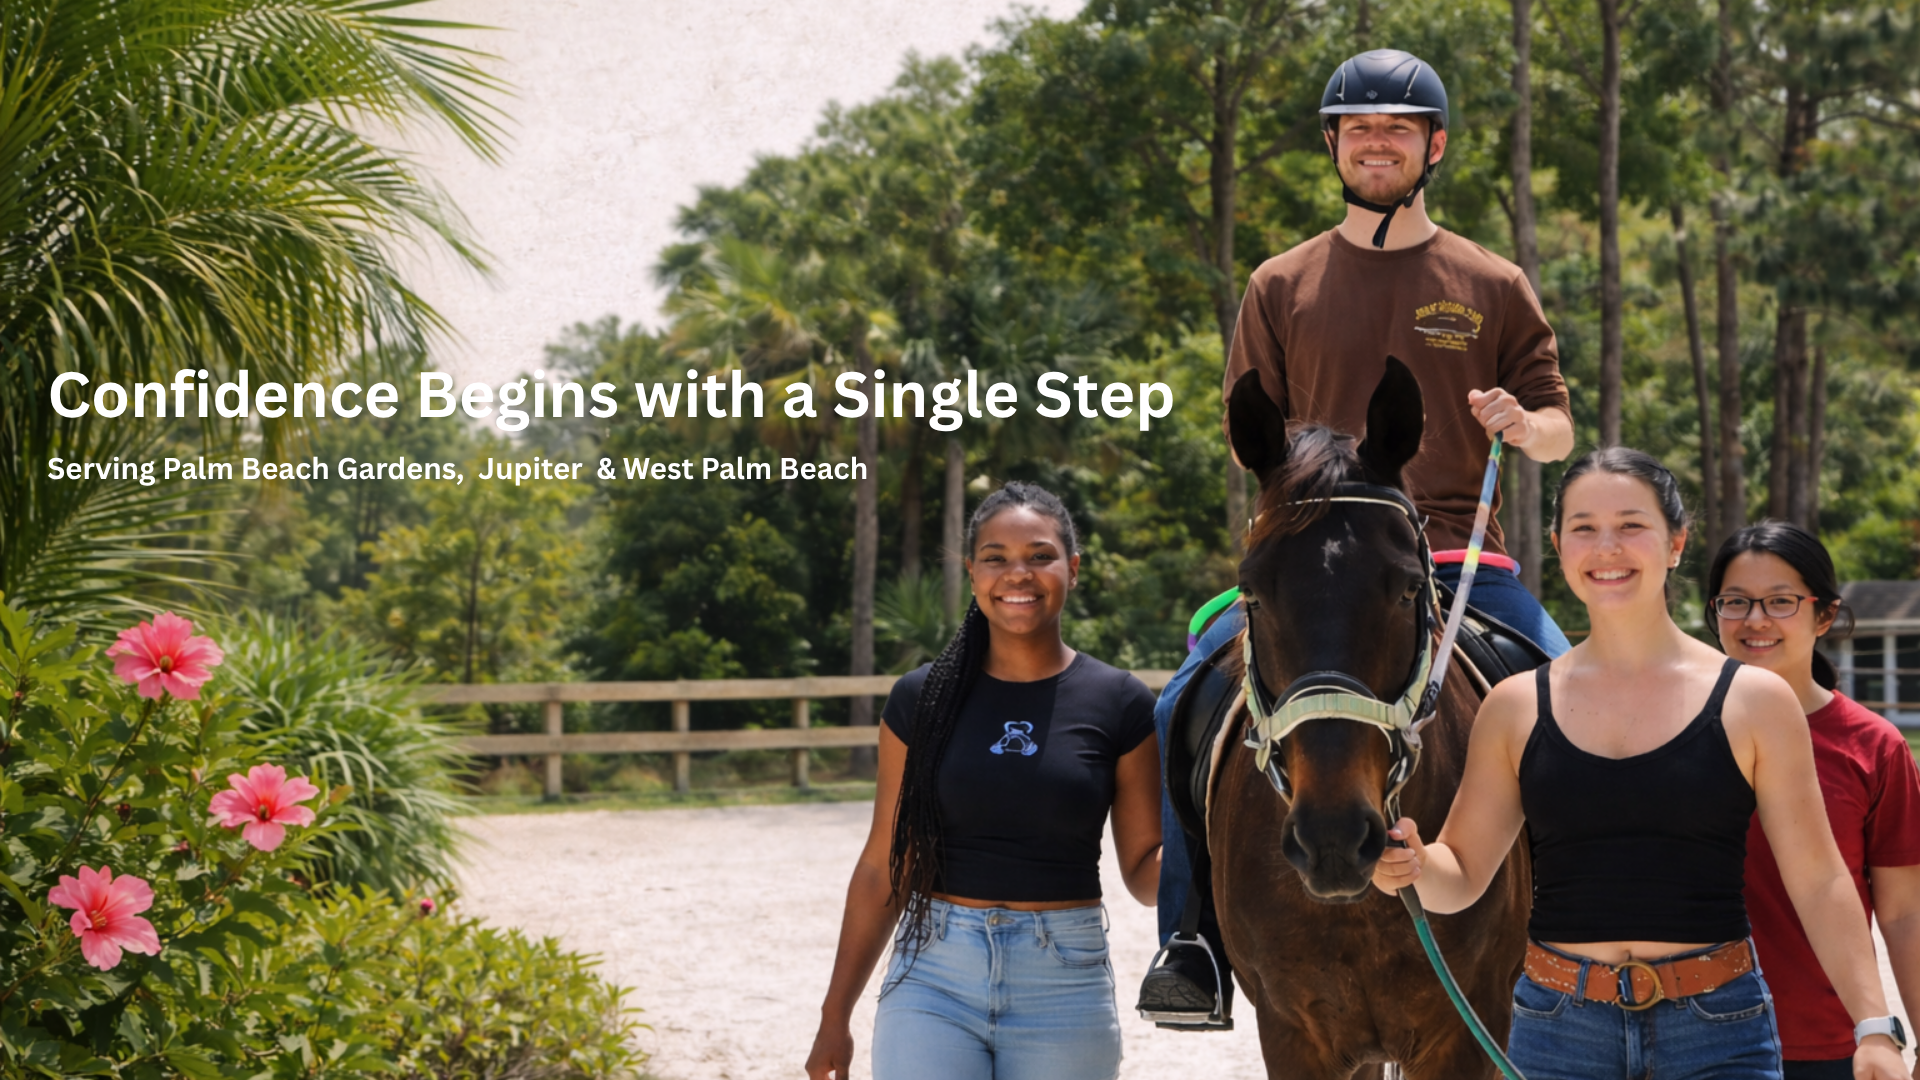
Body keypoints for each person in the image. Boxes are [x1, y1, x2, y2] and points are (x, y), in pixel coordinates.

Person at [1137, 46, 1577, 1024]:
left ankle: (1569, 937)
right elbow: (1248, 429)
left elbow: (1559, 425)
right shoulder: (1279, 284)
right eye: (1360, 129)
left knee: (1574, 706)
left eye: (1399, 129)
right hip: (1314, 560)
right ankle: (1193, 944)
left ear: (1435, 147)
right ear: (1335, 146)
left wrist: (1523, 425)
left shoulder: (1492, 281)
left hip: (1461, 559)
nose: (1379, 143)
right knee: (1181, 702)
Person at [1369, 448, 1907, 1080]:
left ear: (1676, 543)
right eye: (1584, 528)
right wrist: (1412, 863)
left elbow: (1820, 881)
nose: (1607, 547)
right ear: (1558, 545)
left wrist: (1874, 1026)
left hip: (1718, 1030)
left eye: (1631, 525)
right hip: (1558, 1031)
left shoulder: (1755, 700)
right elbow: (1460, 874)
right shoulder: (1514, 706)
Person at [804, 482, 1162, 1080]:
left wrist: (1214, 845)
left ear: (1073, 568)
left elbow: (1146, 875)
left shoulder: (1120, 702)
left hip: (1063, 981)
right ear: (973, 574)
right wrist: (834, 1014)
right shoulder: (922, 699)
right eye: (996, 558)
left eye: (1040, 556)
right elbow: (883, 866)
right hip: (933, 977)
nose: (1017, 574)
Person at [1707, 521, 1920, 1080]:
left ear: (1823, 615)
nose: (1755, 619)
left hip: (1831, 1046)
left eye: (1780, 601)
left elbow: (1903, 914)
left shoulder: (1874, 746)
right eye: (1736, 602)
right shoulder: (1670, 733)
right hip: (1692, 1042)